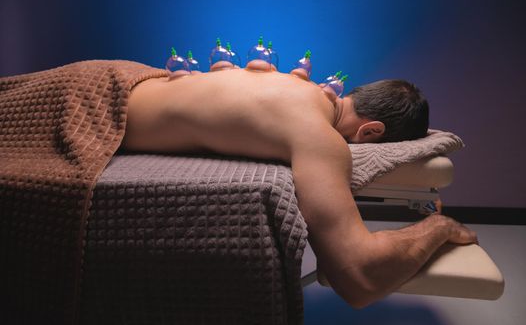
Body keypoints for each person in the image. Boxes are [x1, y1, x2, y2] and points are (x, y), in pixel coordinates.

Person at [121, 61, 478, 308]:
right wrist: (438, 226)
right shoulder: (319, 137)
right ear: (370, 132)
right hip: (100, 104)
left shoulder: (296, 83)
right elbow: (360, 278)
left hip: (124, 77)